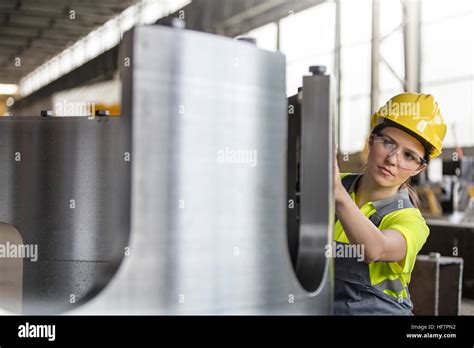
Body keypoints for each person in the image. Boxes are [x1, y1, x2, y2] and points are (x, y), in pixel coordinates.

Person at [333, 93, 447, 315]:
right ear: (370, 141)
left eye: (409, 156)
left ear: (419, 168)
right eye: (388, 143)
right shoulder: (335, 183)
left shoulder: (410, 220)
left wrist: (337, 194)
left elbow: (375, 249)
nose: (393, 159)